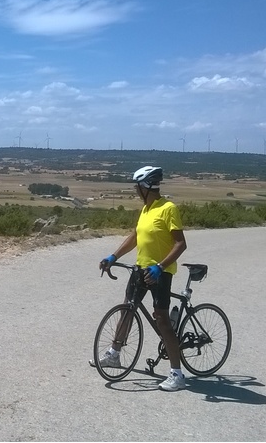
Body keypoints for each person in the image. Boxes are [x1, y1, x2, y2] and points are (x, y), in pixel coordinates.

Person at [94, 165, 188, 391]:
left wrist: (161, 266)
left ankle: (177, 374)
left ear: (145, 187)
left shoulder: (168, 208)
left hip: (160, 272)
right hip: (140, 269)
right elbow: (135, 237)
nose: (135, 191)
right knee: (128, 309)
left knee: (162, 320)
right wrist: (113, 256)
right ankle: (114, 354)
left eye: (137, 187)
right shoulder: (146, 210)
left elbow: (180, 243)